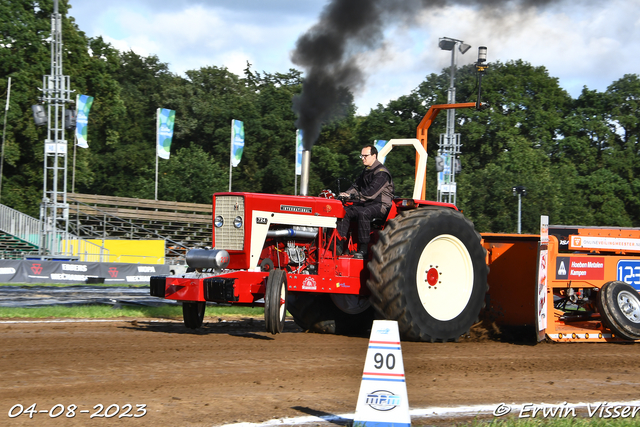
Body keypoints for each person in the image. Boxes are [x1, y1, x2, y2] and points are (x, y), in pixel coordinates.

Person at [337, 144, 394, 259]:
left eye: (365, 156)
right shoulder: (366, 171)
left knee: (364, 213)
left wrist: (351, 196)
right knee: (344, 211)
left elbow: (370, 193)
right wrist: (346, 194)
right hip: (367, 203)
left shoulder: (382, 173)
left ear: (374, 156)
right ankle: (339, 244)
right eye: (361, 156)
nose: (363, 158)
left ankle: (363, 249)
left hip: (381, 205)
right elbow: (356, 186)